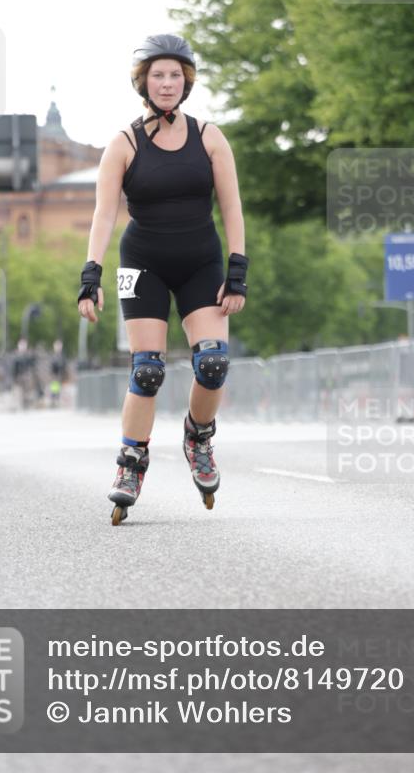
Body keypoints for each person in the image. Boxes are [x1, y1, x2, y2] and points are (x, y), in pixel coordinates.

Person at [78, 34, 248, 524]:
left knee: (213, 363)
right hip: (142, 263)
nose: (168, 83)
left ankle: (198, 435)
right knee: (147, 370)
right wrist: (91, 274)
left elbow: (232, 207)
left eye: (176, 75)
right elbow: (104, 215)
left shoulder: (210, 137)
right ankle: (131, 462)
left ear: (187, 82)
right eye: (159, 75)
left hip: (202, 261)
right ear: (144, 83)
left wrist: (238, 269)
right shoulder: (123, 145)